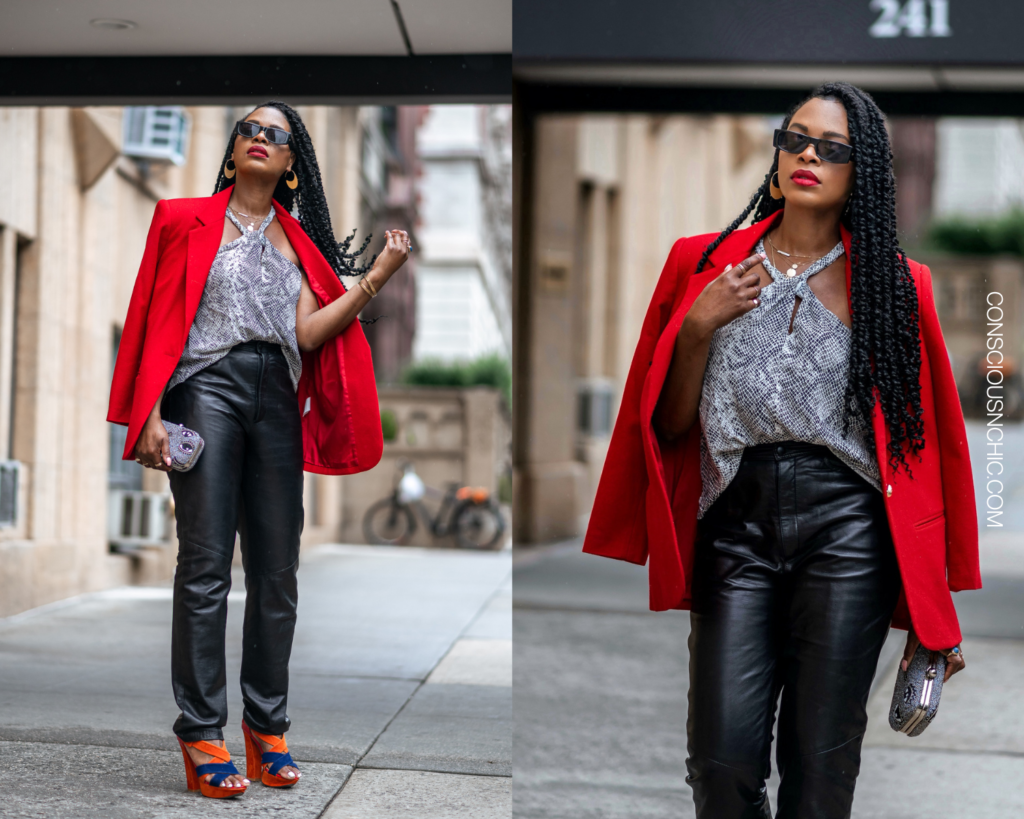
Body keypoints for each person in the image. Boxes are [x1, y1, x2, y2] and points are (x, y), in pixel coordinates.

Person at [582, 82, 981, 818]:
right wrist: (699, 324)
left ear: (861, 172)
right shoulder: (699, 263)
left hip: (849, 532)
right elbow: (670, 426)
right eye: (795, 137)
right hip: (736, 524)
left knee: (821, 766)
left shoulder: (897, 286)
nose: (808, 155)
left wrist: (936, 606)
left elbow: (931, 455)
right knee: (720, 761)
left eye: (833, 148)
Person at [107, 100, 410, 798]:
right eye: (248, 128)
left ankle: (266, 729)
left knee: (277, 571)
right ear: (233, 146)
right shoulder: (182, 218)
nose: (259, 138)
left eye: (275, 134)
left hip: (276, 395)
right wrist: (149, 411)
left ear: (292, 161)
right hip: (203, 388)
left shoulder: (300, 243)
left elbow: (308, 336)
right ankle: (203, 732)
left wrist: (376, 278)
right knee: (207, 564)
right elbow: (153, 315)